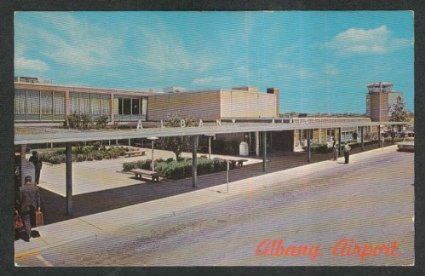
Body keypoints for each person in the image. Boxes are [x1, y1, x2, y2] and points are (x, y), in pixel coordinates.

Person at [19, 176, 41, 241]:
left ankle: (28, 234)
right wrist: (39, 206)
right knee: (30, 219)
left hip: (25, 207)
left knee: (26, 220)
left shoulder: (21, 189)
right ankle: (29, 229)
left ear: (25, 181)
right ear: (30, 181)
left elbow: (20, 199)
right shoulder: (35, 188)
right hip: (33, 207)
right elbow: (38, 198)